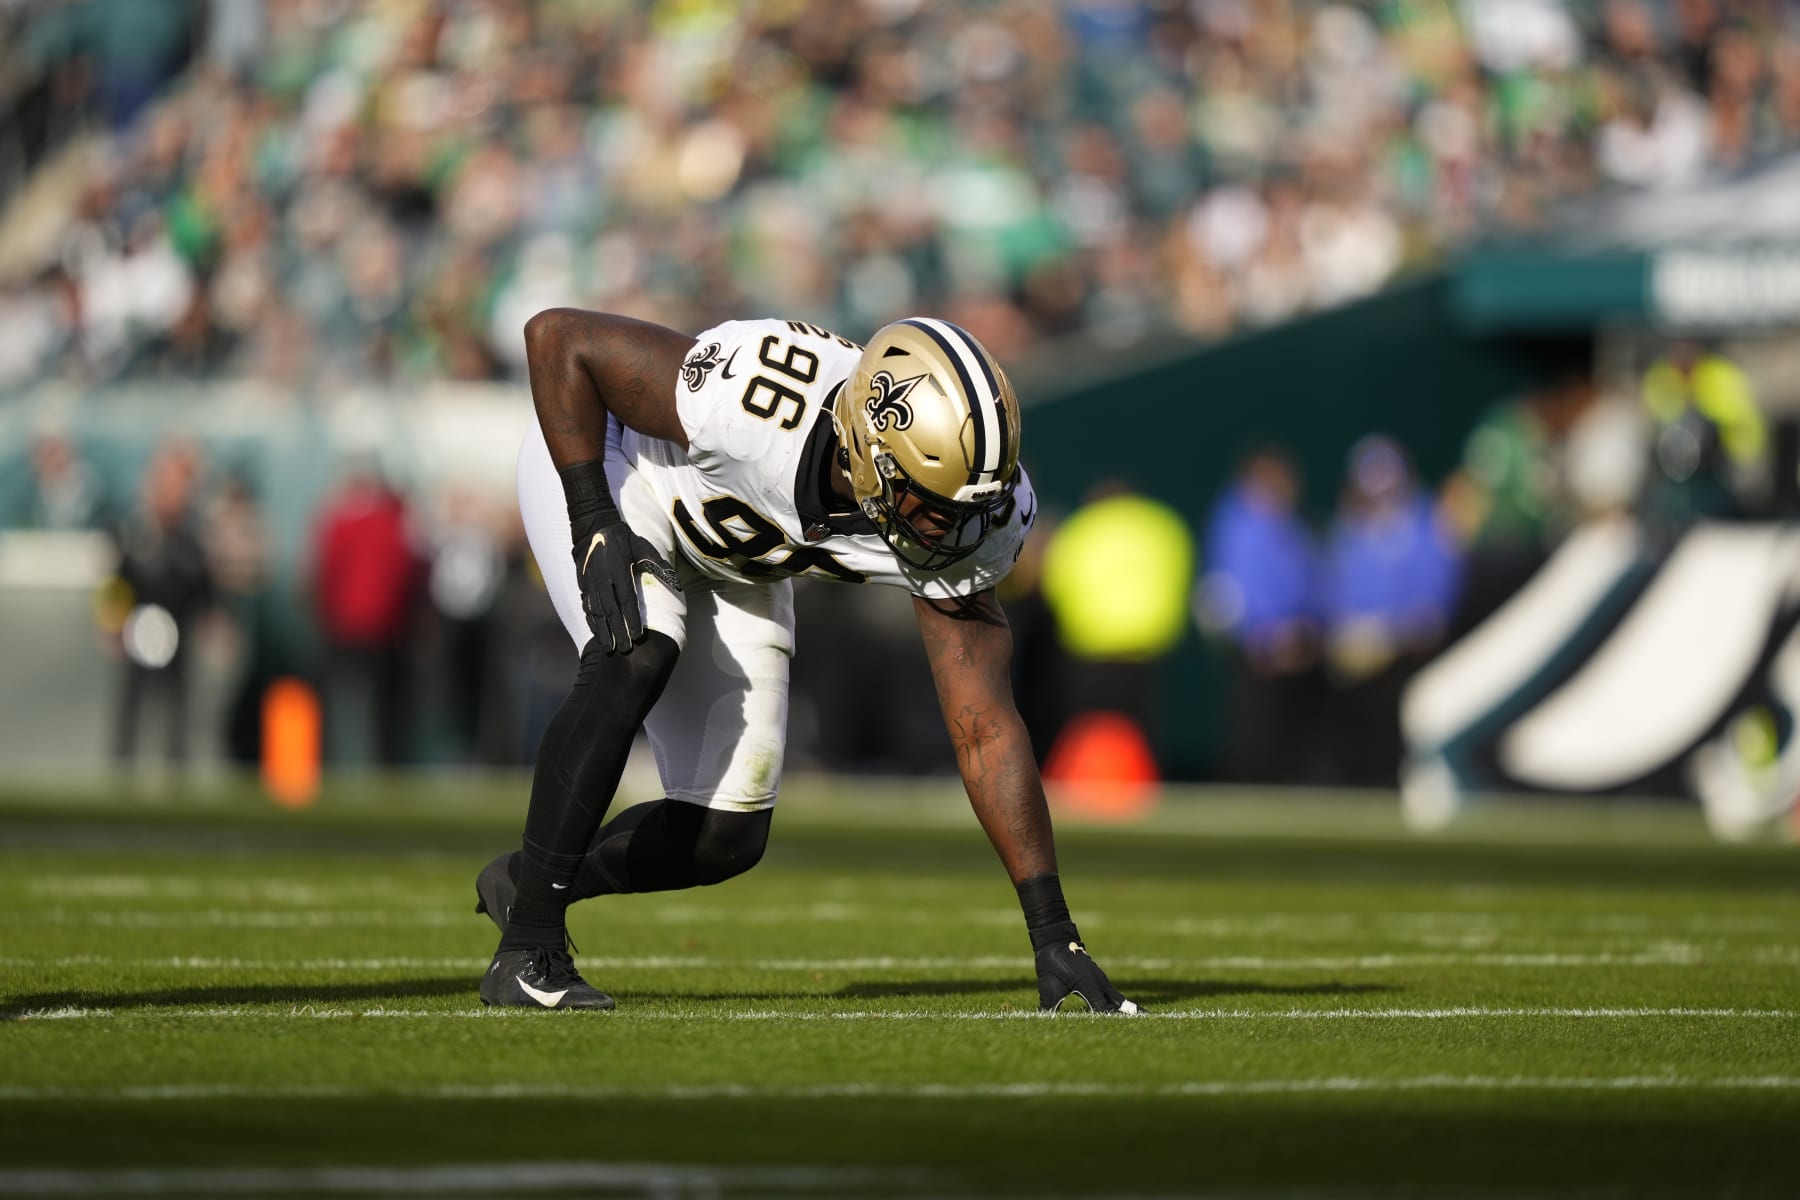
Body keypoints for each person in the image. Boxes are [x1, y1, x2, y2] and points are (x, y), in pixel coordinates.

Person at [473, 309, 1140, 1015]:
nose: (959, 528)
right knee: (639, 648)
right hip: (617, 469)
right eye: (938, 504)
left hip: (735, 553)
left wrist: (1052, 933)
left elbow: (984, 726)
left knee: (723, 836)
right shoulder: (754, 403)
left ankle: (529, 879)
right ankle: (527, 951)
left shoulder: (969, 513)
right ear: (871, 453)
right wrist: (594, 522)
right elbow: (558, 339)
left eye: (974, 504)